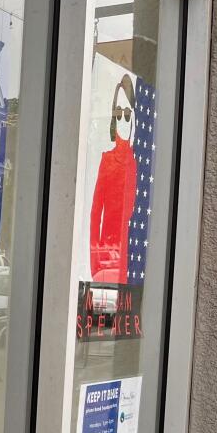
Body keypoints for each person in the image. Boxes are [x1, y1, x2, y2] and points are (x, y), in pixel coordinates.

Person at [89, 74, 138, 283]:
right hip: (108, 256)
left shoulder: (138, 165)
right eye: (118, 114)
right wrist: (95, 260)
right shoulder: (107, 161)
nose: (122, 119)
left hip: (133, 257)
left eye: (127, 114)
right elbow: (95, 213)